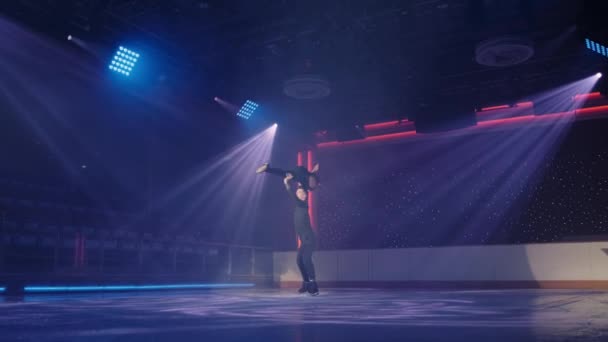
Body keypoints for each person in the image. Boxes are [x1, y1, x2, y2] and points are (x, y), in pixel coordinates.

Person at [282, 173, 319, 296]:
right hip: (304, 240)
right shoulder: (298, 206)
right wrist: (301, 181)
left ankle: (314, 285)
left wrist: (287, 183)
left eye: (302, 193)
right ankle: (306, 283)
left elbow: (293, 195)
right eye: (298, 193)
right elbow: (297, 192)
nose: (300, 195)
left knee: (307, 260)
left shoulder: (302, 204)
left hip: (310, 239)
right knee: (299, 261)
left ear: (305, 196)